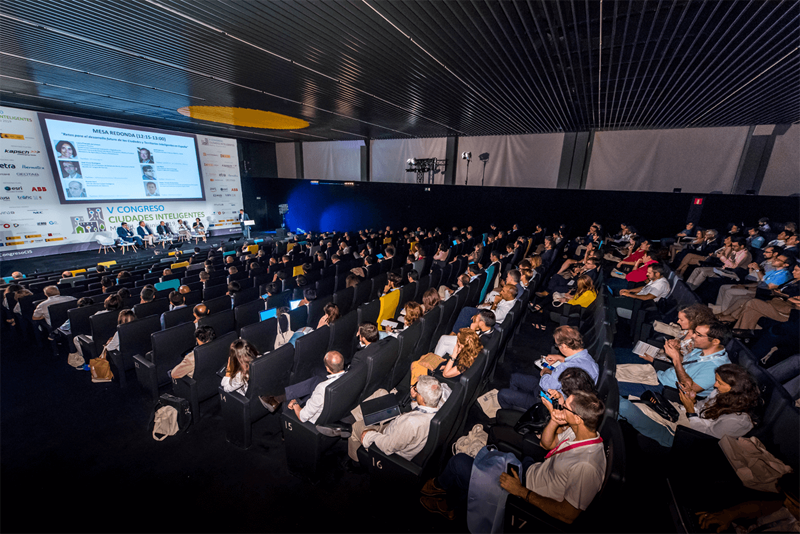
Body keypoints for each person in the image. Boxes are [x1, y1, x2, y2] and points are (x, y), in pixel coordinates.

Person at [421, 390, 606, 525]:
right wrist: (555, 420)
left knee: (459, 462)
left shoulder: (587, 466)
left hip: (525, 491)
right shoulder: (581, 433)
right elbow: (546, 445)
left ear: (579, 418)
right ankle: (455, 505)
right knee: (481, 463)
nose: (561, 407)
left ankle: (440, 489)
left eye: (565, 407)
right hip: (532, 471)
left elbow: (567, 515)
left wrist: (520, 492)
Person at [618, 363, 759, 448]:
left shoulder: (739, 420)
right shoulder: (720, 393)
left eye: (720, 383)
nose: (715, 385)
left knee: (624, 406)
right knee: (636, 402)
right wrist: (691, 401)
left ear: (735, 388)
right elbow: (702, 407)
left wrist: (690, 410)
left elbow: (706, 440)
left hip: (682, 436)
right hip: (682, 417)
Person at [618, 321, 732, 398]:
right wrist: (676, 351)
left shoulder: (716, 368)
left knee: (614, 385)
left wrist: (676, 358)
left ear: (715, 341)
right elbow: (686, 363)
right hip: (659, 375)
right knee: (614, 370)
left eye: (698, 335)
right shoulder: (702, 348)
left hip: (665, 389)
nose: (693, 337)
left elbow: (689, 390)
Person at [498, 325, 599, 412]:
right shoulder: (591, 362)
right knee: (515, 377)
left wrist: (546, 372)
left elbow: (546, 385)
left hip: (548, 402)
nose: (557, 347)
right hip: (560, 394)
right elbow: (577, 364)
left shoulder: (566, 368)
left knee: (502, 394)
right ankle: (517, 406)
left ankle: (513, 414)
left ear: (563, 346)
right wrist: (562, 358)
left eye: (557, 345)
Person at [349, 375, 444, 463]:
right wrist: (414, 399)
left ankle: (356, 462)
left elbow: (388, 446)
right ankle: (352, 417)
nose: (413, 389)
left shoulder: (411, 423)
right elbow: (420, 410)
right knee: (382, 392)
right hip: (398, 427)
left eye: (416, 389)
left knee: (355, 427)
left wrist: (370, 435)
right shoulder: (437, 404)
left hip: (388, 442)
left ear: (422, 398)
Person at [287, 351, 346, 423]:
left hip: (316, 420)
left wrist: (295, 402)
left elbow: (302, 417)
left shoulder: (322, 388)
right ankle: (289, 393)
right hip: (337, 408)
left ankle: (284, 397)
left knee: (287, 403)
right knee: (317, 377)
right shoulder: (350, 376)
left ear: (327, 368)